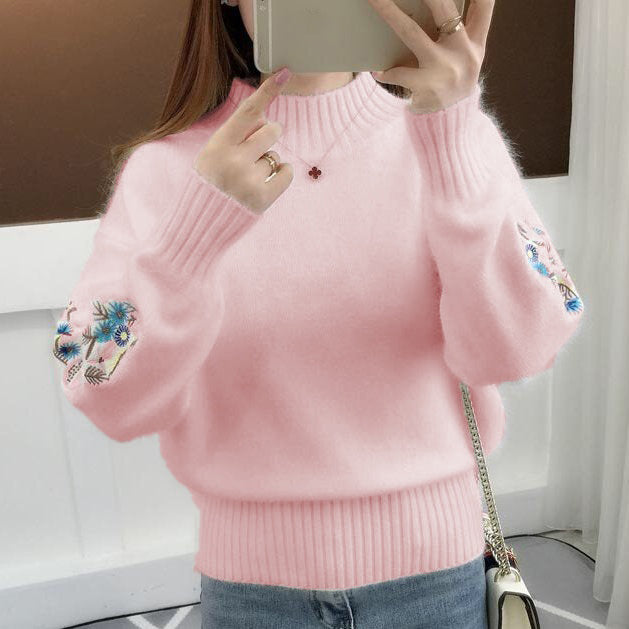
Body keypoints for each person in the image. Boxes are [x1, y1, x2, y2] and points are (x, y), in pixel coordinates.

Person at [51, 0, 585, 627]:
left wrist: (453, 137)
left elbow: (521, 349)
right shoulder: (167, 170)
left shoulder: (450, 135)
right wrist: (193, 235)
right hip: (253, 591)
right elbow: (99, 387)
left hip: (437, 576)